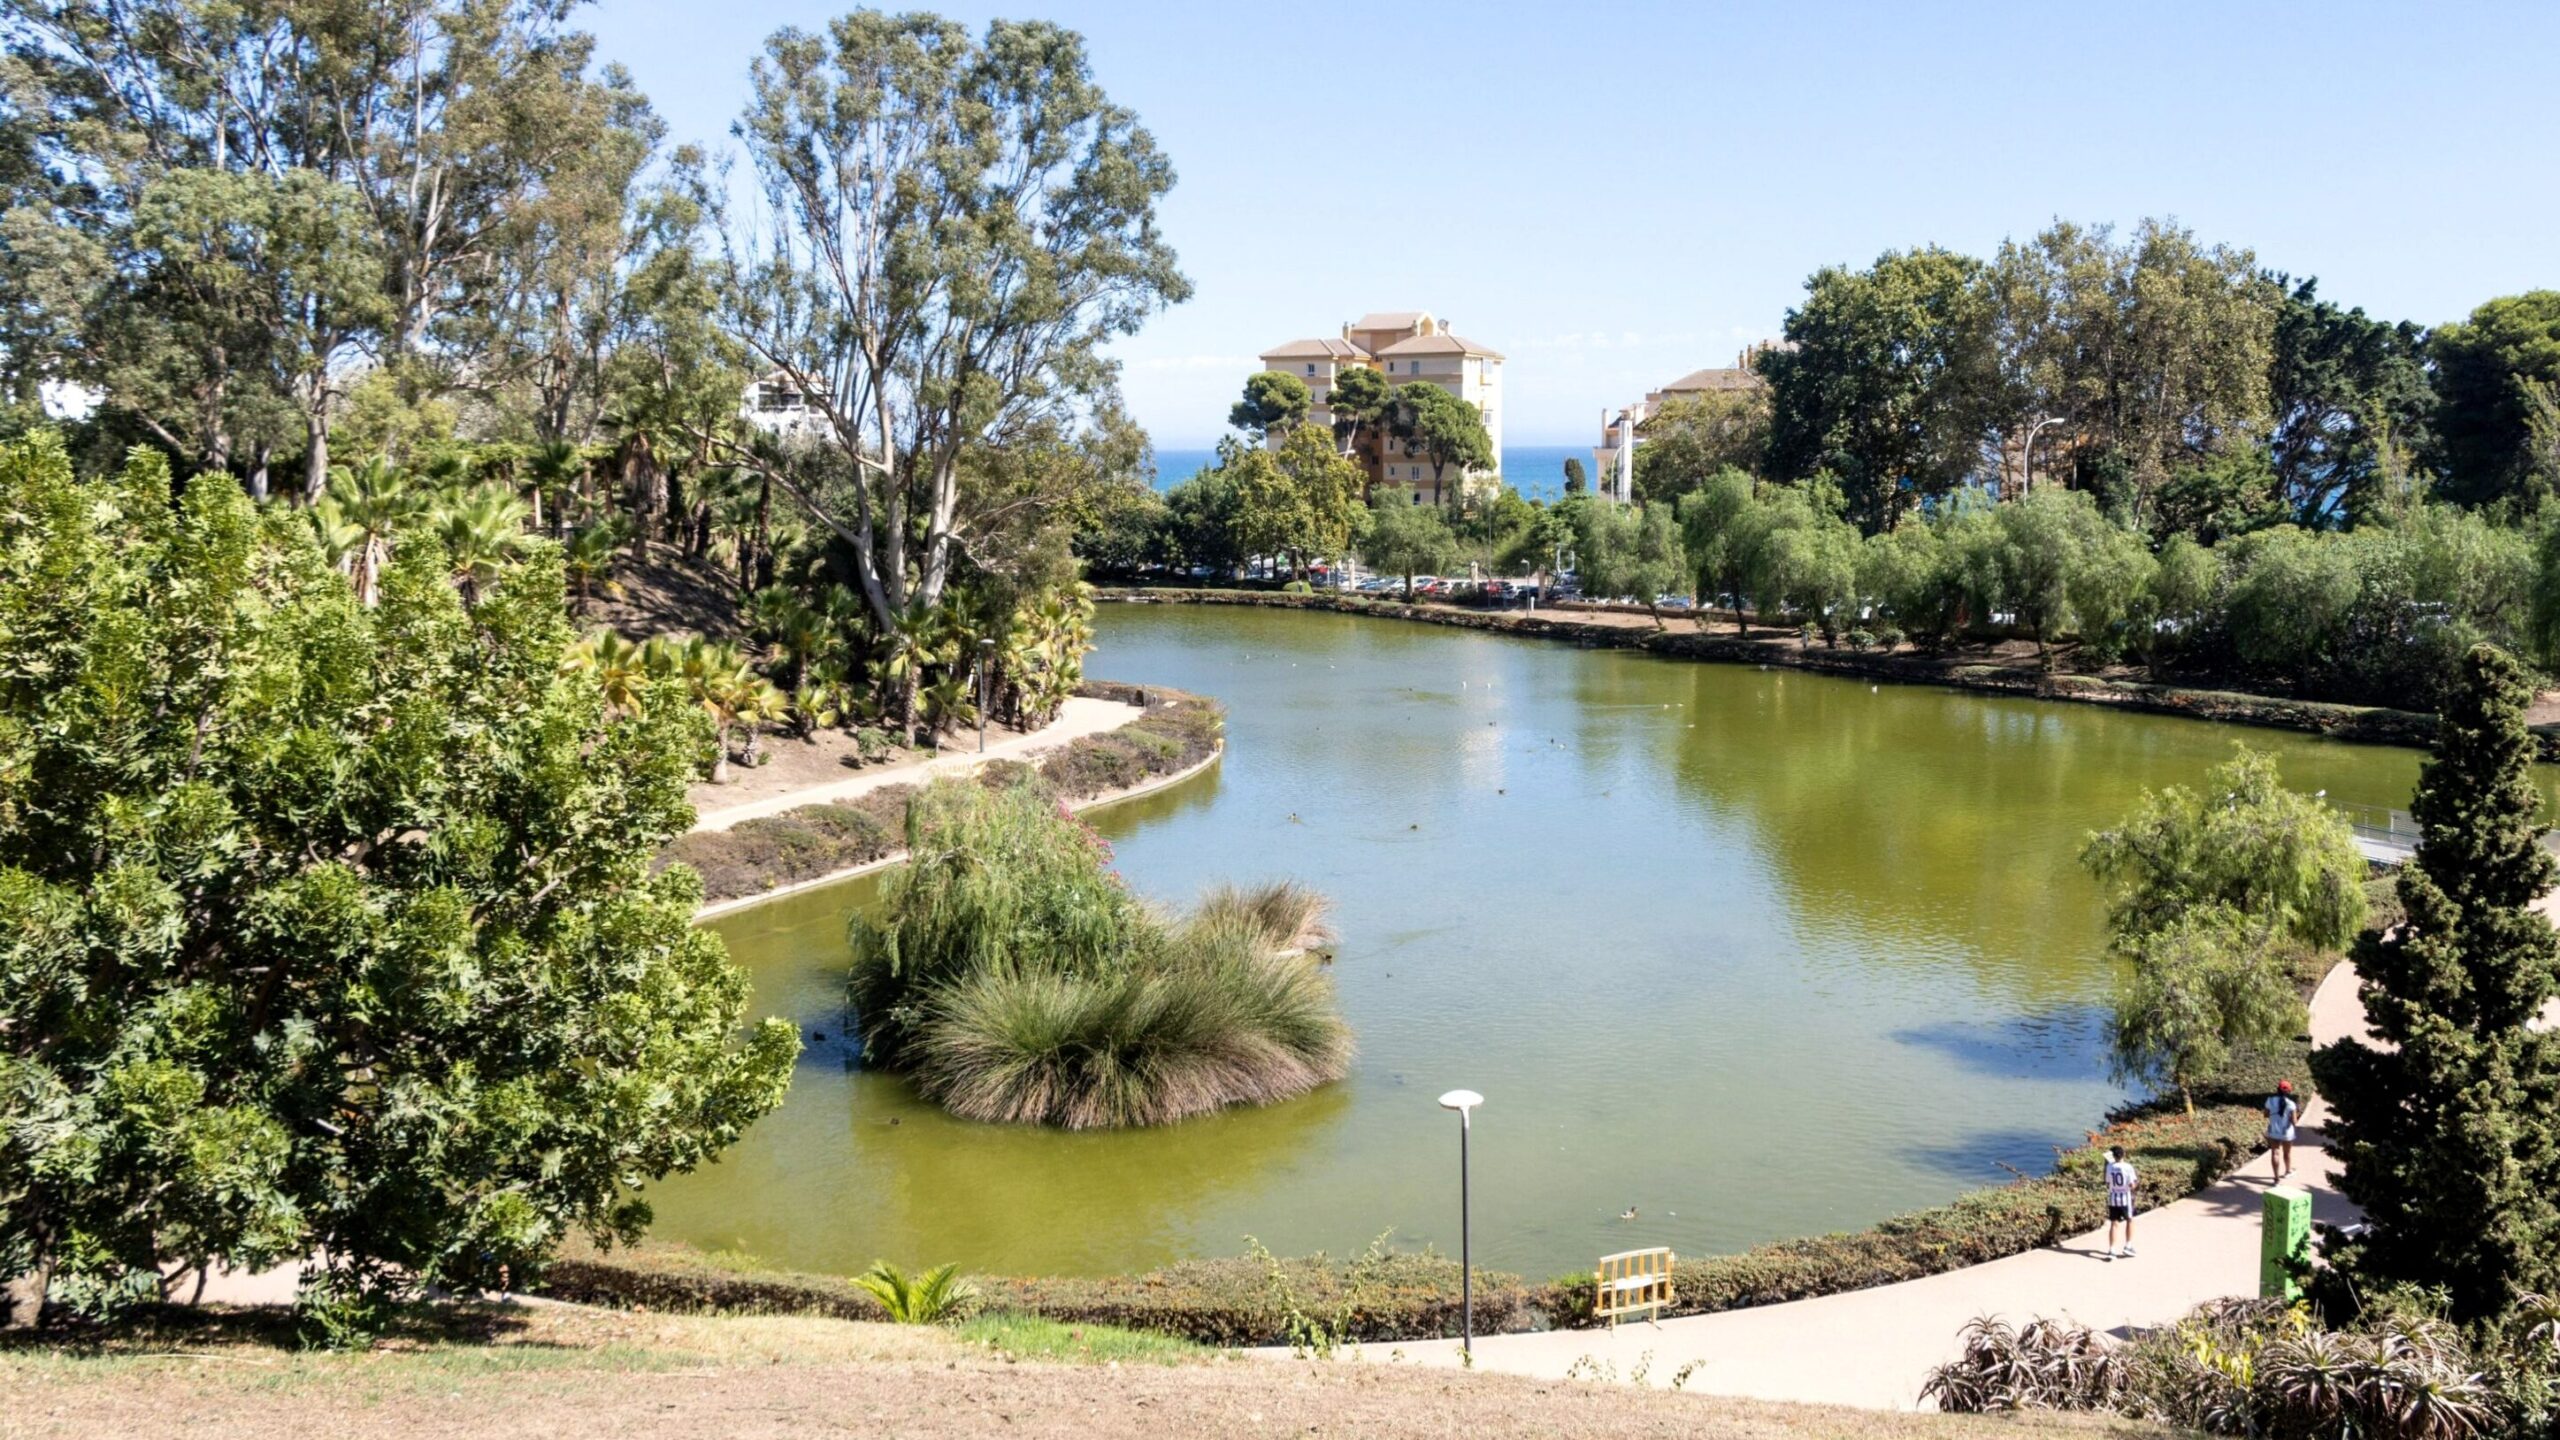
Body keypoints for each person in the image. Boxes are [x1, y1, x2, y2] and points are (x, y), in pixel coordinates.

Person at [2103, 1145, 2138, 1260]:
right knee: (2130, 1220)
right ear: (2124, 1154)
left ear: (2113, 1156)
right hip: (2125, 1198)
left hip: (2113, 1198)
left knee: (2114, 1223)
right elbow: (2132, 1185)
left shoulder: (2109, 1167)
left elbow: (2107, 1183)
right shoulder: (2128, 1167)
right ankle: (2128, 1245)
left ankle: (2112, 1250)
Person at [2265, 1079, 2301, 1182]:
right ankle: (2288, 1171)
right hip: (2287, 1133)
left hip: (2274, 1131)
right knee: (2287, 1153)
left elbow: (2265, 1114)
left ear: (2277, 1089)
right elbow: (2294, 1122)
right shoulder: (2291, 1104)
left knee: (2275, 1153)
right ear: (2289, 1092)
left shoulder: (2270, 1100)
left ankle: (2276, 1179)